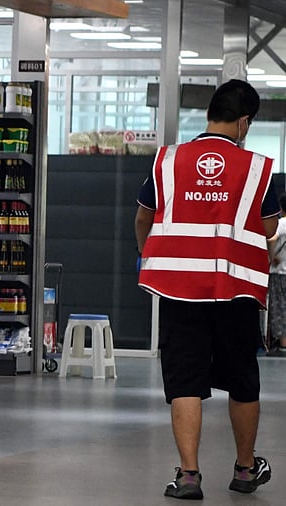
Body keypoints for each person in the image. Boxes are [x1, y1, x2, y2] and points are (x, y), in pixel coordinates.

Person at [135, 79, 277, 500]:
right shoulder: (255, 168)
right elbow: (269, 228)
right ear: (244, 122)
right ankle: (246, 470)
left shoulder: (168, 160)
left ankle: (189, 476)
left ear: (210, 114)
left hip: (178, 287)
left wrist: (153, 257)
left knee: (184, 379)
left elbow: (143, 218)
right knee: (242, 379)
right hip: (236, 289)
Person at [267, 194, 286, 353]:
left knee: (280, 307)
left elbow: (271, 238)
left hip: (280, 272)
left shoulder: (281, 224)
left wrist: (272, 256)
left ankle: (283, 344)